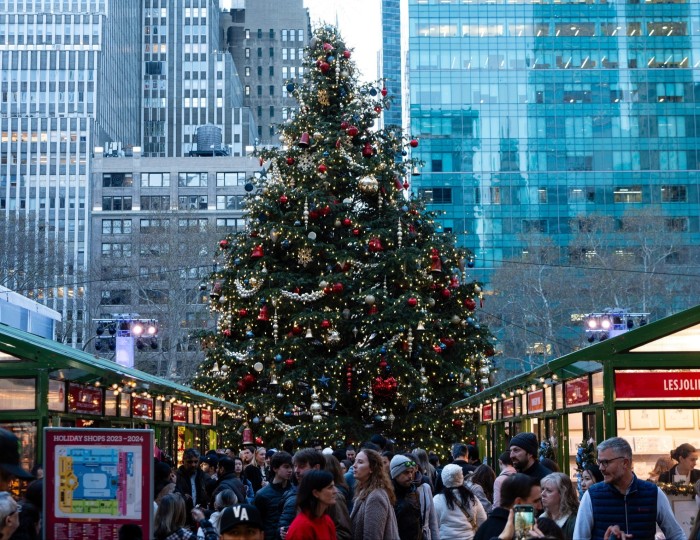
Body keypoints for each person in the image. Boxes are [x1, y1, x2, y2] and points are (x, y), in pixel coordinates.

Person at [573, 436, 685, 540]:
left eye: (605, 462)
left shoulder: (653, 493)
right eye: (599, 462)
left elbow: (676, 534)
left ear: (625, 463)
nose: (601, 468)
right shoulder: (592, 496)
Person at [349, 448, 400, 540]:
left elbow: (372, 536)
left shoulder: (375, 497)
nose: (354, 465)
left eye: (360, 462)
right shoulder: (364, 491)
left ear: (372, 468)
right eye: (355, 461)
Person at [474, 473, 542, 540]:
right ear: (518, 502)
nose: (540, 507)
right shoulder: (515, 532)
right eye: (536, 501)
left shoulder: (485, 527)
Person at [433, 463, 487, 540]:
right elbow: (482, 521)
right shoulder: (472, 498)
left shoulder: (437, 500)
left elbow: (434, 526)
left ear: (443, 478)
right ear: (461, 477)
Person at [286, 470, 337, 540]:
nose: (335, 491)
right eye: (330, 487)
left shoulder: (327, 520)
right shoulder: (301, 528)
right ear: (315, 493)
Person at [253, 451, 292, 540]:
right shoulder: (262, 495)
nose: (290, 470)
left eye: (291, 467)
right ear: (275, 468)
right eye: (286, 467)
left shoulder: (295, 491)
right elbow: (257, 523)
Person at [153, 493, 217, 540]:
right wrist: (202, 520)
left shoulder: (152, 532)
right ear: (180, 513)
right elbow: (212, 538)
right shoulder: (182, 534)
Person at [389, 455, 422, 540]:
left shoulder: (414, 492)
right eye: (406, 472)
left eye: (411, 472)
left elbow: (418, 521)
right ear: (395, 474)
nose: (410, 476)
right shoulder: (388, 494)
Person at [175, 449, 210, 524]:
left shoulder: (203, 476)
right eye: (189, 462)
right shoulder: (176, 476)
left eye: (196, 462)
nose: (193, 464)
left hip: (199, 518)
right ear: (183, 461)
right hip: (182, 519)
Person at [539, 473, 578, 540]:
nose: (542, 494)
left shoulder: (574, 522)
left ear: (563, 494)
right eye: (542, 489)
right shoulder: (541, 517)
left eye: (549, 490)